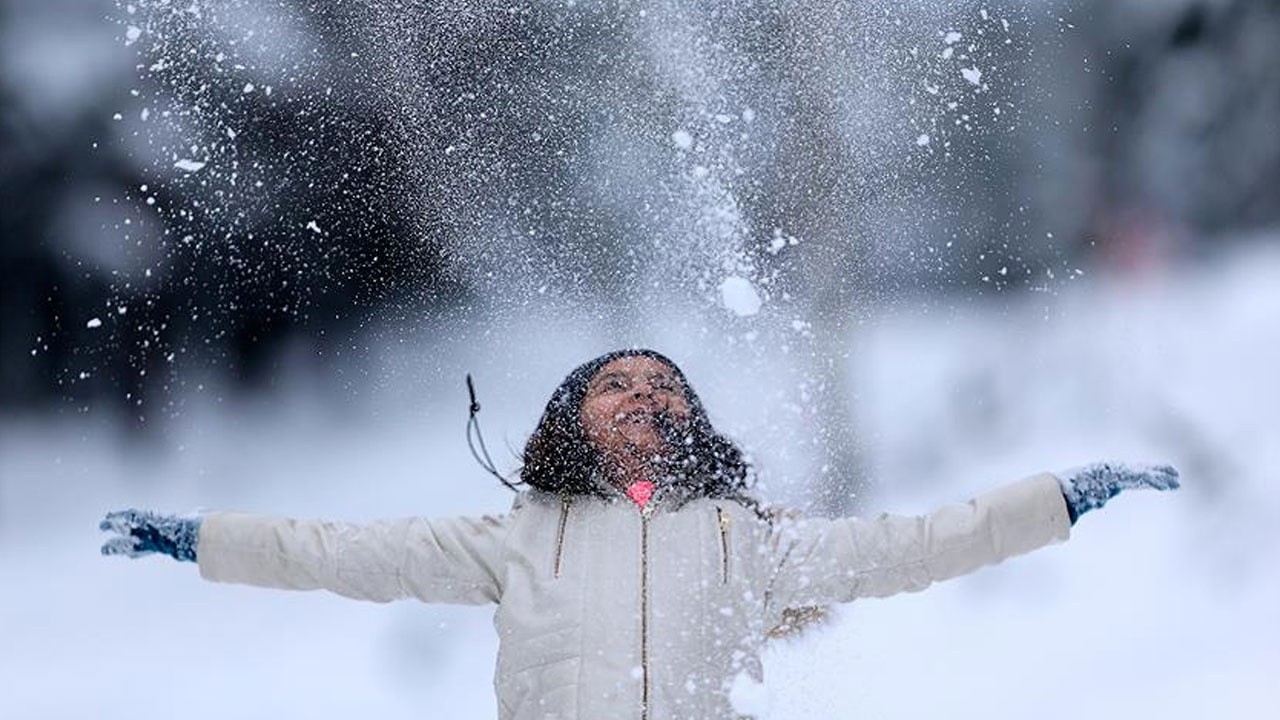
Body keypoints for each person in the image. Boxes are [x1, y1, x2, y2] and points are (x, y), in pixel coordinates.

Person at [101, 348, 1179, 720]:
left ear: (690, 421)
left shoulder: (744, 541)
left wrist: (1060, 499)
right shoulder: (515, 537)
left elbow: (915, 544)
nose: (641, 395)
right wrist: (201, 539)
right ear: (571, 417)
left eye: (663, 385)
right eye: (613, 383)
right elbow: (337, 552)